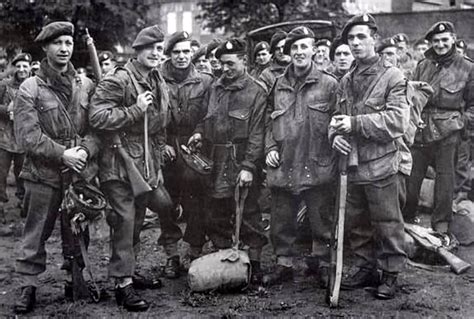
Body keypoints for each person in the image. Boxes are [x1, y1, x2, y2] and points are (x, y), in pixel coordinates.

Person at [89, 25, 179, 312]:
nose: (156, 53)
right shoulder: (118, 80)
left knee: (138, 219)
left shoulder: (156, 79)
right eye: (150, 48)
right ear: (136, 51)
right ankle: (122, 285)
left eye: (159, 49)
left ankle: (130, 271)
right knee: (125, 221)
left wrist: (158, 163)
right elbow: (97, 117)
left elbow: (160, 125)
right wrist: (134, 111)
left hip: (145, 163)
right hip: (118, 162)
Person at [13, 21, 99, 314]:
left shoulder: (84, 84)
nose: (64, 49)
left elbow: (96, 128)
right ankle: (29, 286)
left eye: (69, 43)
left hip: (78, 174)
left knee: (77, 232)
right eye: (57, 44)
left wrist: (85, 150)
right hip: (43, 175)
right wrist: (63, 154)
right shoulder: (30, 88)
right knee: (36, 232)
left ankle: (73, 279)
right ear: (46, 48)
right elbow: (28, 137)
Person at [329, 14, 409, 300]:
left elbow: (397, 121)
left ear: (374, 38)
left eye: (361, 36)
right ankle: (365, 268)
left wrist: (355, 124)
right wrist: (335, 135)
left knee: (387, 221)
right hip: (351, 164)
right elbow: (336, 119)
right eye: (351, 38)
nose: (356, 42)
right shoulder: (345, 80)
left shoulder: (392, 76)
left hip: (382, 164)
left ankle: (390, 274)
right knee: (357, 223)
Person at [262, 26, 338, 287]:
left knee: (321, 218)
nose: (299, 52)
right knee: (281, 218)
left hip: (317, 162)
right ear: (288, 52)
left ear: (314, 50)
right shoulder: (278, 84)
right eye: (294, 47)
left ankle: (323, 265)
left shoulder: (329, 84)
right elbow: (267, 120)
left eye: (304, 46)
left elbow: (338, 122)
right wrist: (270, 148)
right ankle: (283, 265)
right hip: (285, 162)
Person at [188, 38, 268, 282]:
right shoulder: (215, 88)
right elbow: (205, 117)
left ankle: (255, 265)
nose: (224, 69)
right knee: (216, 212)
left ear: (244, 61)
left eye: (230, 64)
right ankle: (225, 264)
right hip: (216, 160)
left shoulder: (256, 91)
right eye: (221, 64)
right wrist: (199, 132)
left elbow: (257, 134)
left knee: (249, 213)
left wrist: (249, 167)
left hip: (242, 160)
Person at [403, 22, 474, 238]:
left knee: (445, 181)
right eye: (436, 41)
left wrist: (460, 124)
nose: (440, 44)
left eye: (444, 40)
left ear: (453, 38)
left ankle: (441, 226)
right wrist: (413, 120)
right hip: (422, 129)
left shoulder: (468, 68)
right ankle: (407, 220)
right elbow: (411, 96)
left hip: (449, 131)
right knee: (411, 179)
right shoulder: (423, 65)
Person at [161, 31, 213, 267]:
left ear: (192, 52)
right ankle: (171, 255)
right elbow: (151, 117)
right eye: (176, 52)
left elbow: (209, 114)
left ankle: (195, 251)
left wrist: (200, 132)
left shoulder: (205, 81)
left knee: (197, 200)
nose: (181, 57)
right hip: (166, 147)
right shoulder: (157, 79)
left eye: (185, 51)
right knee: (166, 202)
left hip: (195, 148)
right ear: (169, 54)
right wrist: (161, 143)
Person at [0, 53, 30, 218]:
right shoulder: (4, 85)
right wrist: (7, 110)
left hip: (24, 139)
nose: (21, 69)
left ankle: (23, 202)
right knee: (1, 173)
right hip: (4, 138)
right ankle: (1, 205)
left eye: (25, 66)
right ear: (14, 68)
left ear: (29, 68)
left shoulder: (34, 86)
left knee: (24, 173)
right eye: (18, 66)